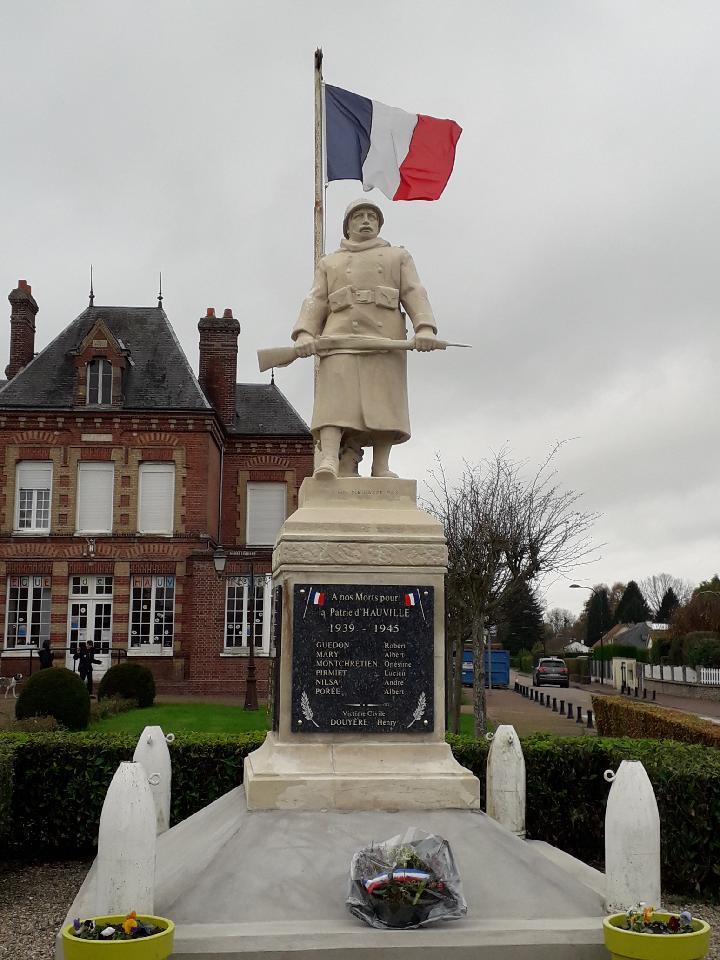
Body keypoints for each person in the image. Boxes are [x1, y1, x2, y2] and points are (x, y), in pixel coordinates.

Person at [293, 198, 443, 479]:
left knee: (384, 401)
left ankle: (380, 466)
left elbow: (414, 292)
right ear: (347, 225)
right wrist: (304, 332)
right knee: (335, 399)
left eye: (371, 217)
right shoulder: (330, 262)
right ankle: (328, 459)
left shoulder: (397, 257)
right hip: (340, 338)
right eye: (358, 216)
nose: (365, 221)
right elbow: (315, 299)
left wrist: (425, 327)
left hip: (385, 338)